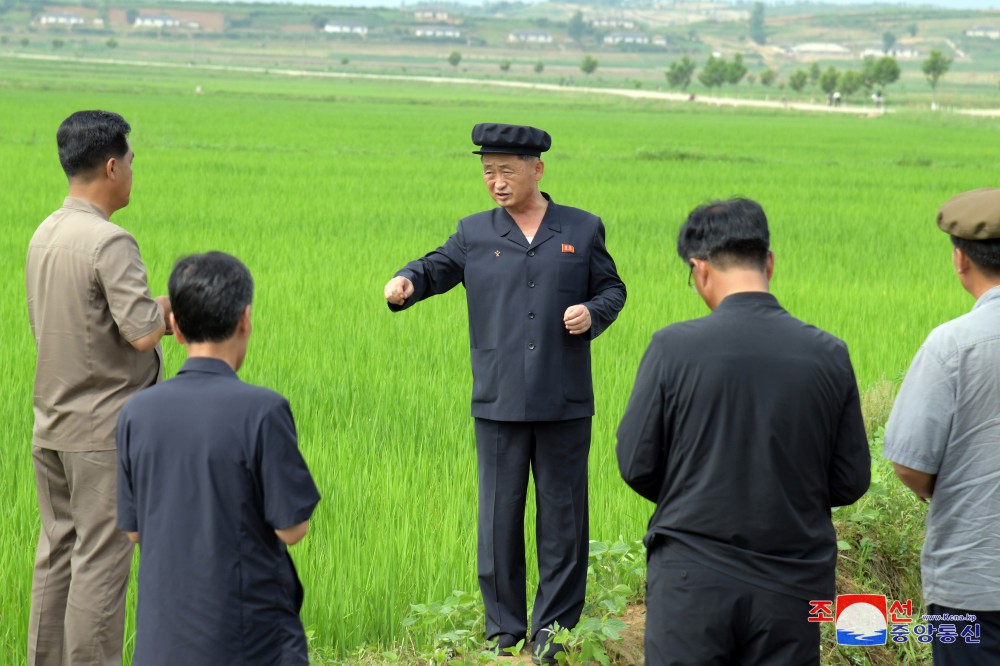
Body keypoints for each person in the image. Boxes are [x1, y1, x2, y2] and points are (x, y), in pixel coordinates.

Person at [383, 123, 626, 663]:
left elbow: (613, 287)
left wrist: (594, 312)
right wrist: (406, 282)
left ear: (537, 169)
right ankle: (503, 633)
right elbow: (435, 268)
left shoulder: (582, 230)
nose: (496, 181)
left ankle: (553, 635)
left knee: (563, 517)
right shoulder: (475, 233)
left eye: (507, 171)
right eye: (488, 171)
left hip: (564, 400)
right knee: (498, 519)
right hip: (497, 399)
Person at [616, 198, 870, 665]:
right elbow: (850, 480)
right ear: (769, 261)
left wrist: (698, 493)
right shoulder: (828, 354)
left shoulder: (672, 348)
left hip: (691, 581)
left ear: (699, 269)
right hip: (793, 587)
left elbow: (637, 464)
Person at [117, 251, 321, 665]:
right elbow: (293, 529)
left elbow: (134, 533)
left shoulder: (136, 412)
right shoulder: (262, 410)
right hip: (248, 640)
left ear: (173, 327)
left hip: (161, 643)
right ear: (245, 319)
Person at [25, 110, 170, 666]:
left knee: (56, 554)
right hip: (102, 433)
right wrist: (169, 308)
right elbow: (141, 333)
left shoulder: (46, 232)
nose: (134, 170)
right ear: (111, 166)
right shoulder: (110, 241)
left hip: (52, 424)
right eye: (130, 161)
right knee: (101, 567)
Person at [884, 188, 1000, 665]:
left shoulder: (953, 345)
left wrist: (962, 490)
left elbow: (910, 465)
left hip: (972, 585)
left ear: (960, 260)